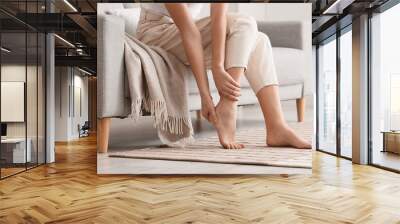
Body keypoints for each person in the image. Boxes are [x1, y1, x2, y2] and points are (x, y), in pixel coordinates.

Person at [136, 3, 311, 149]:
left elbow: (218, 18)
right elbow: (189, 31)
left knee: (259, 40)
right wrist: (206, 96)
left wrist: (218, 66)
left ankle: (275, 127)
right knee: (246, 23)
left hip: (188, 29)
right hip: (156, 32)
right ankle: (229, 110)